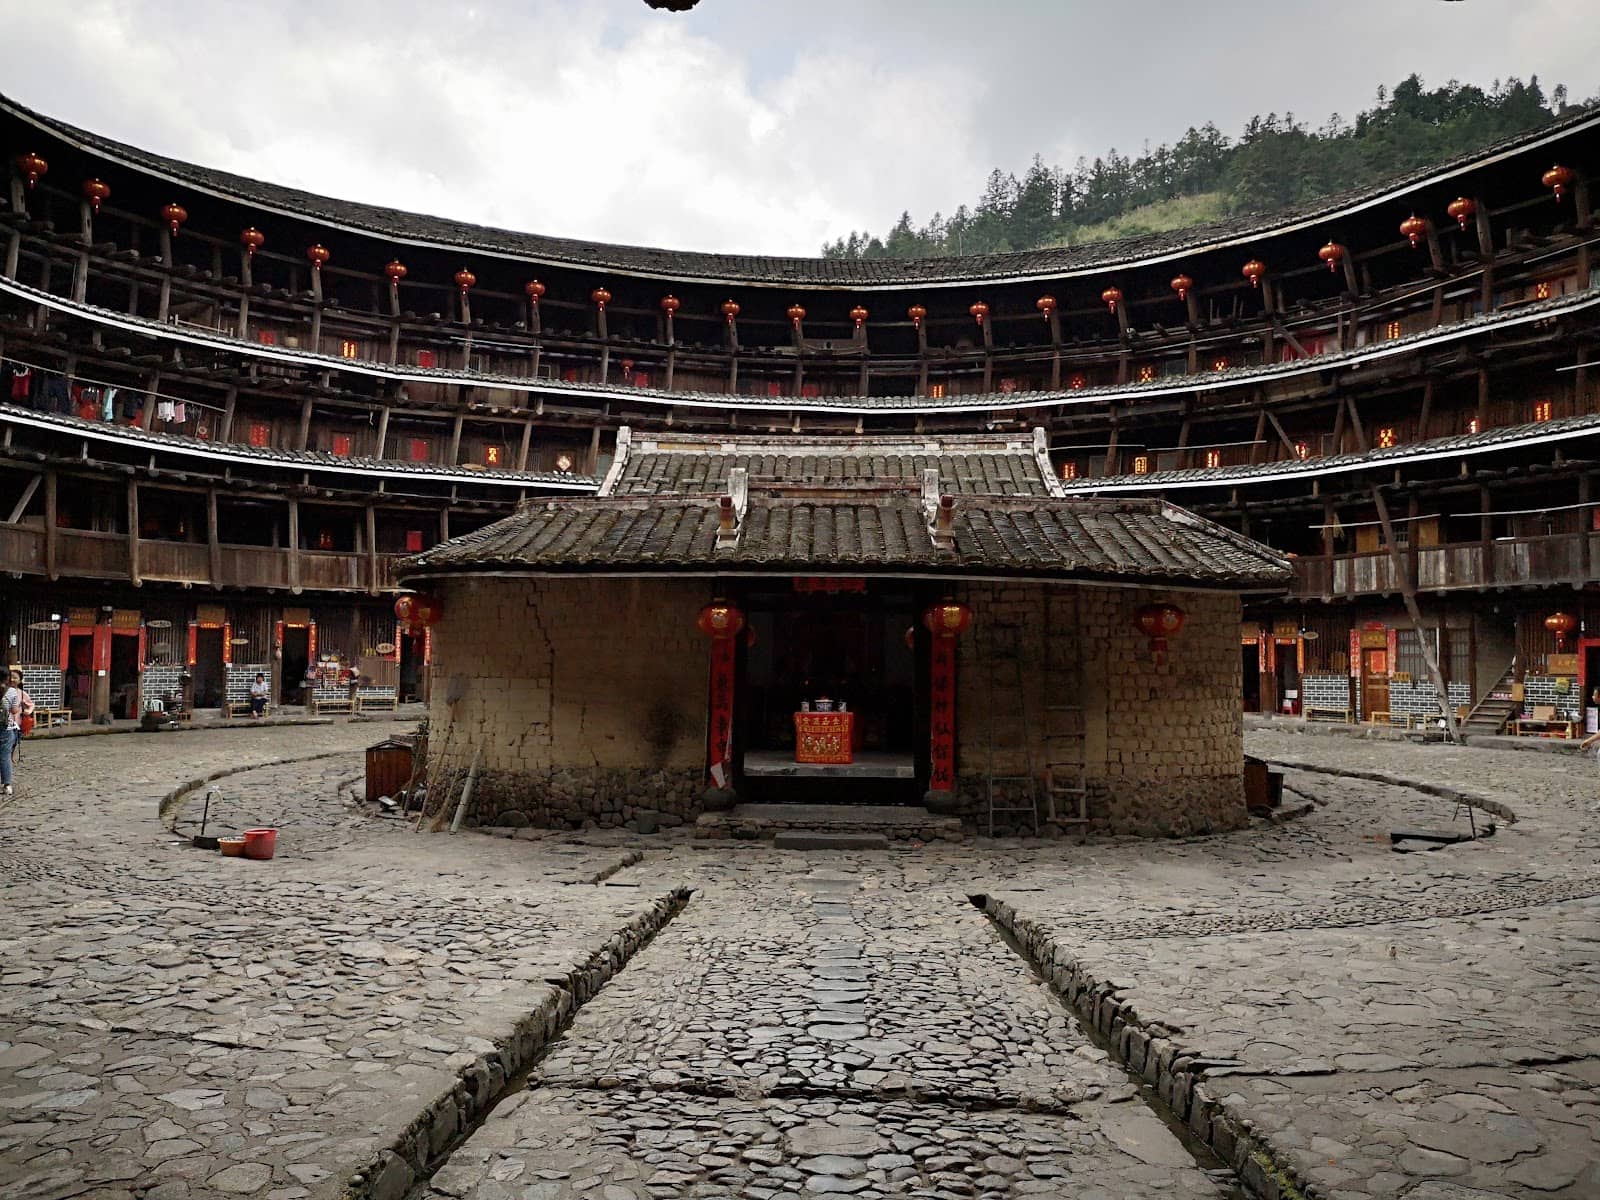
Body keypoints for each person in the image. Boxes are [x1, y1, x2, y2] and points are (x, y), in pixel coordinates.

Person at [1, 669, 22, 795]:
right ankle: (7, 785)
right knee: (5, 756)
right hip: (6, 727)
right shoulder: (12, 691)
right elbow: (14, 711)